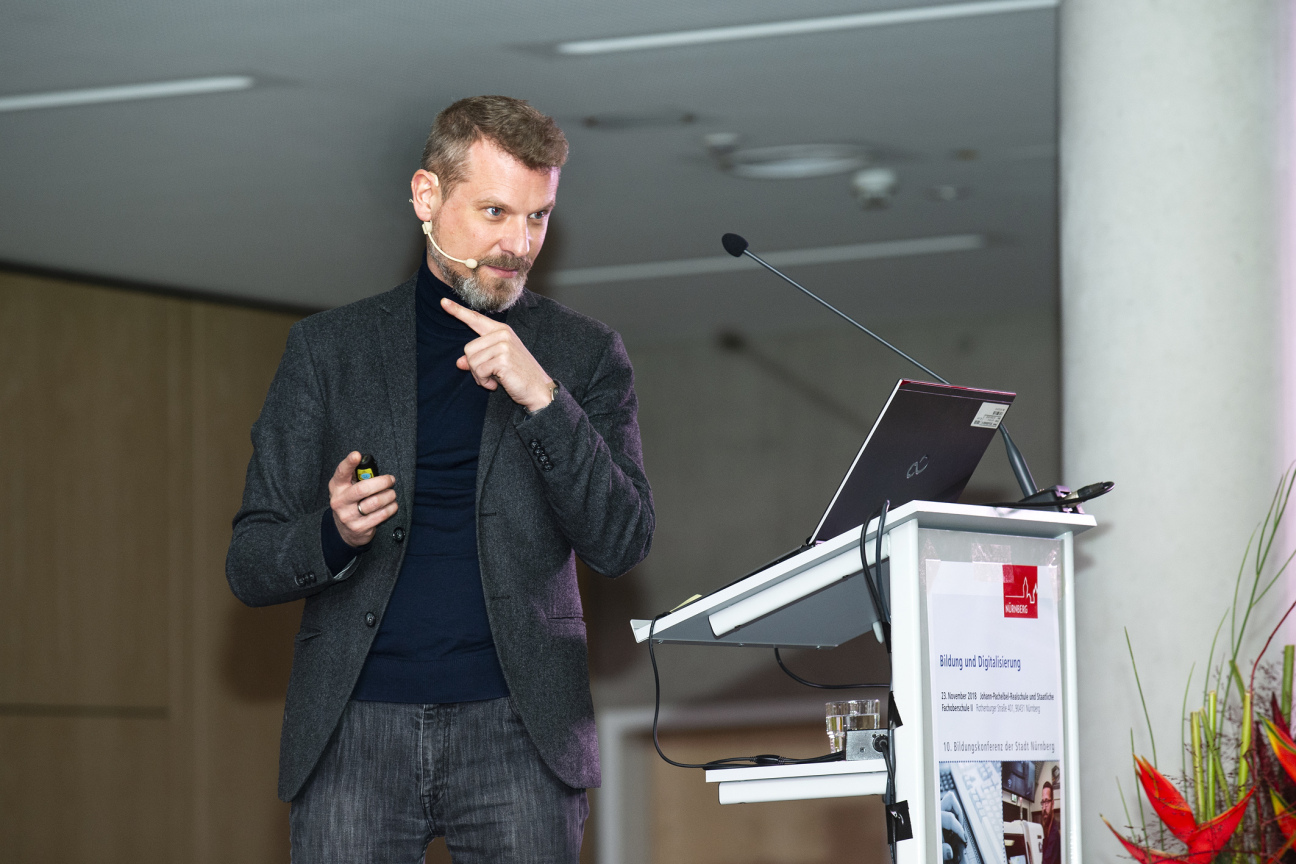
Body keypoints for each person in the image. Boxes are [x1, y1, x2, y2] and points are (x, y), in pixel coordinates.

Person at [226, 95, 654, 863]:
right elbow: (251, 563)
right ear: (428, 197)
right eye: (495, 212)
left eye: (537, 217)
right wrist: (334, 532)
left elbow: (621, 542)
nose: (518, 244)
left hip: (522, 731)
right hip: (354, 728)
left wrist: (545, 400)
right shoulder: (329, 350)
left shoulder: (583, 354)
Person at [1040, 780, 1061, 864]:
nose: (1044, 808)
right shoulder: (1046, 830)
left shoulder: (1055, 834)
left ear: (1052, 804)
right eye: (1043, 802)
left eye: (1047, 802)